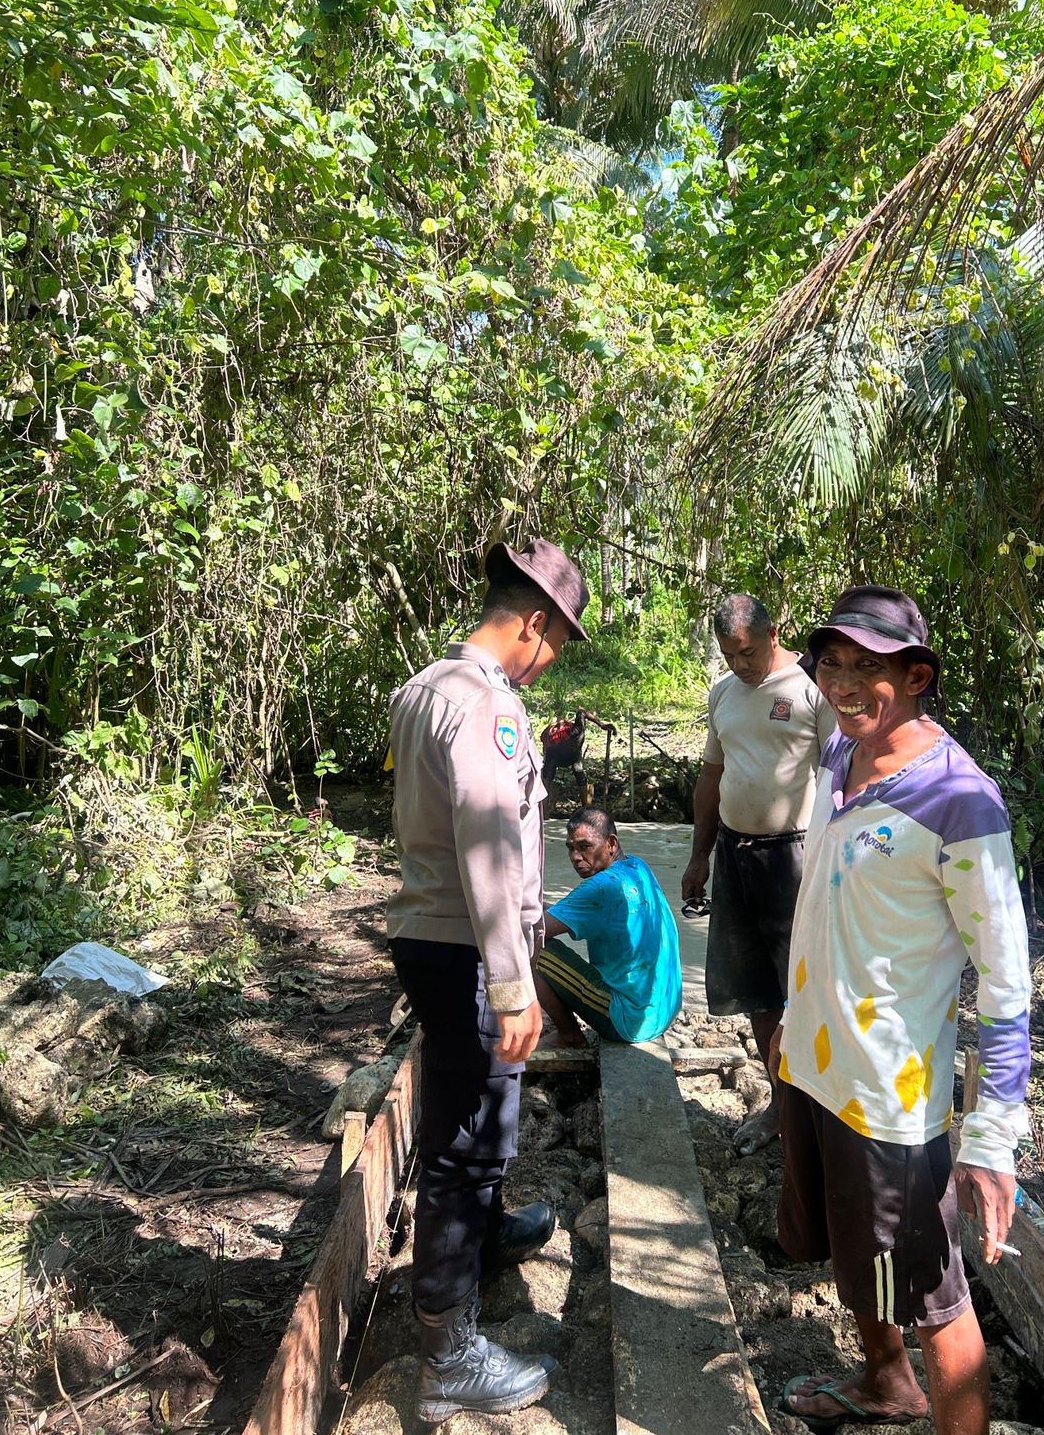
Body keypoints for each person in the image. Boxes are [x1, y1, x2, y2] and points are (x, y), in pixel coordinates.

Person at [773, 586, 1031, 1435]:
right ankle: (887, 1384)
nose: (843, 684)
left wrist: (992, 1138)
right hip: (813, 1066)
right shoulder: (836, 763)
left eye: (868, 667)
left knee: (932, 1293)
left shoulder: (961, 802)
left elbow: (1004, 979)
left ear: (917, 675)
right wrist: (790, 1011)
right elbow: (824, 903)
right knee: (858, 1261)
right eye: (832, 664)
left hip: (891, 1100)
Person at [386, 538, 590, 1426]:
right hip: (470, 945)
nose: (548, 666)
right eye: (556, 647)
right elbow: (488, 849)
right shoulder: (484, 708)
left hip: (434, 936)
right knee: (469, 1142)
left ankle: (483, 1241)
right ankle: (448, 1350)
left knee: (469, 1114)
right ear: (533, 626)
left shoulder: (424, 687)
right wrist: (515, 984)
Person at [681, 593, 836, 1153]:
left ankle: (820, 1115)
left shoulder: (812, 687)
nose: (738, 665)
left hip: (794, 859)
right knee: (757, 991)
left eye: (746, 652)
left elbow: (842, 777)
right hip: (734, 855)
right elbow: (711, 779)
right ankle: (780, 1106)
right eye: (728, 654)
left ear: (774, 634)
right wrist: (700, 856)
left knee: (806, 988)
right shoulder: (723, 693)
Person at [533, 807, 682, 1046]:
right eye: (571, 848)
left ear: (611, 844)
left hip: (629, 1021)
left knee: (530, 948)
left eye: (584, 846)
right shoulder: (636, 866)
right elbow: (561, 913)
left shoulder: (601, 887)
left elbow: (535, 929)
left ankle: (569, 1035)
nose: (575, 857)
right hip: (662, 1010)